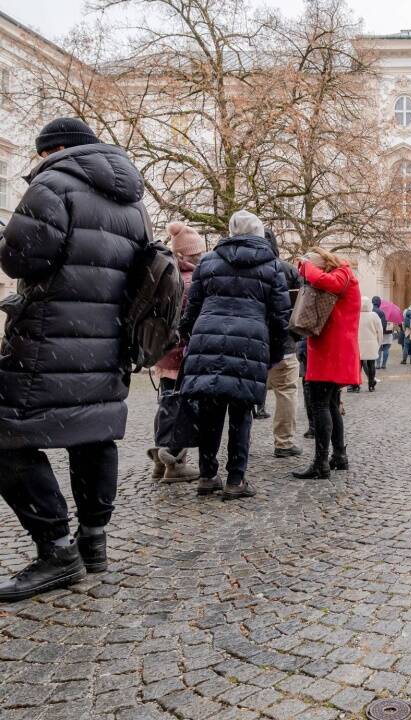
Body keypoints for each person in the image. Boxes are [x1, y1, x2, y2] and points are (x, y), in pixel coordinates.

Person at [0, 118, 148, 601]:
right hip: (108, 344)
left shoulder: (53, 185)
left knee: (6, 437)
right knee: (94, 432)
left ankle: (56, 550)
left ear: (55, 149)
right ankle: (93, 541)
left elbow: (21, 259)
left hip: (48, 340)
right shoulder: (134, 204)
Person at [179, 210, 291, 501]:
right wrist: (275, 353)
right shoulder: (272, 266)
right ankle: (235, 479)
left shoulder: (209, 261)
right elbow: (281, 317)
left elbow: (192, 308)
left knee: (210, 411)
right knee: (241, 413)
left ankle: (206, 475)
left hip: (208, 339)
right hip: (250, 343)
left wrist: (190, 336)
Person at [293, 247, 360, 480]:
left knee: (320, 403)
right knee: (330, 403)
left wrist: (305, 266)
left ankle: (320, 463)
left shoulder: (342, 274)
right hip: (334, 348)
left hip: (331, 349)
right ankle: (339, 456)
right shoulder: (344, 275)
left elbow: (324, 281)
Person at [148, 221, 205, 482]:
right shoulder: (191, 281)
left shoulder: (163, 275)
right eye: (199, 253)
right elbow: (193, 320)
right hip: (183, 354)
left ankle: (160, 461)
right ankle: (175, 463)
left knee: (167, 403)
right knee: (181, 408)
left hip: (164, 351)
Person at [264, 228, 303, 459]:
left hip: (250, 343)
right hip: (284, 343)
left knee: (243, 395)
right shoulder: (288, 270)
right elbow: (299, 310)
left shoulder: (240, 267)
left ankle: (240, 443)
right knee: (286, 392)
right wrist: (295, 337)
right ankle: (284, 442)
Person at [357, 296, 381, 392]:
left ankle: (356, 385)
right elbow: (380, 331)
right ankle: (371, 385)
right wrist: (378, 343)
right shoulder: (374, 315)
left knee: (358, 366)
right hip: (371, 344)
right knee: (371, 365)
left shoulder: (356, 315)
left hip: (358, 344)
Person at [372, 296, 391, 369]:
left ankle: (377, 364)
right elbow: (383, 325)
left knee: (379, 349)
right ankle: (384, 364)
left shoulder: (371, 310)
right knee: (386, 349)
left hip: (374, 334)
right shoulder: (384, 312)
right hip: (385, 334)